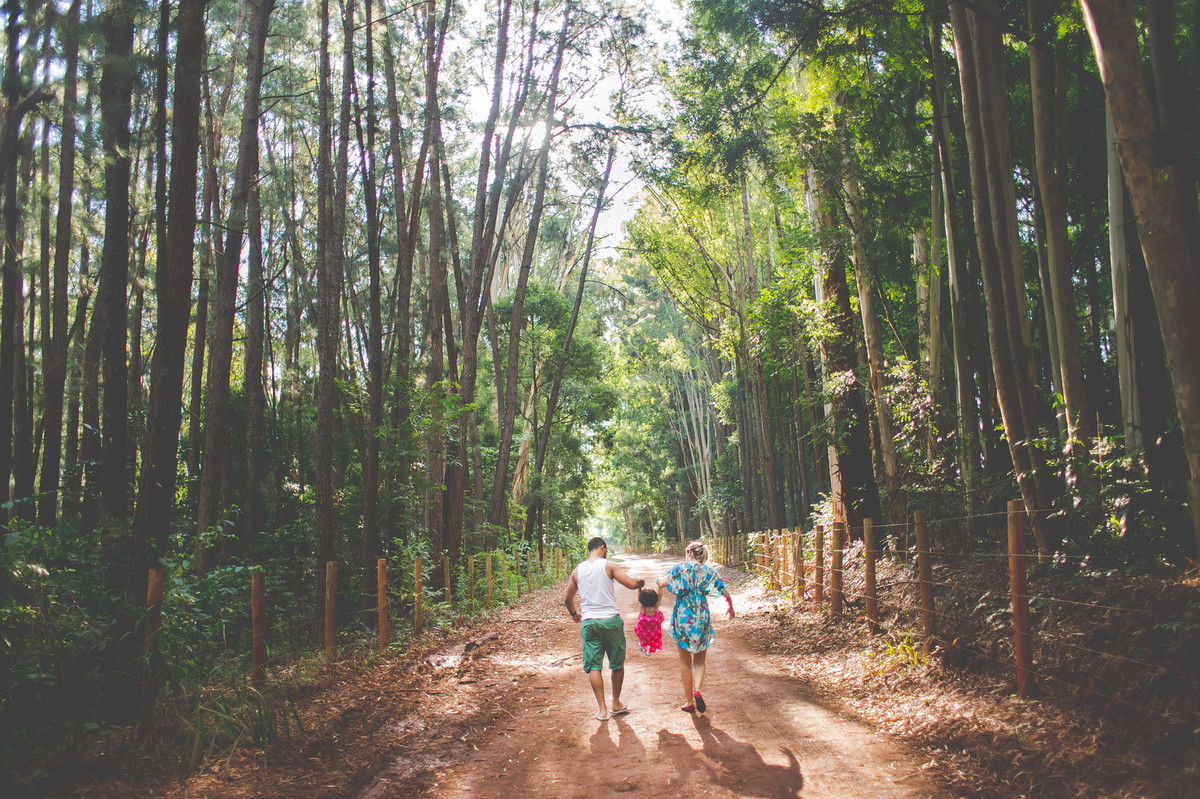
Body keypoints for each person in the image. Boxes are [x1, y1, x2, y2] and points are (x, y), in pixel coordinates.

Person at [563, 537, 645, 721]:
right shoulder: (609, 566)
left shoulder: (578, 570)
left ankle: (602, 710)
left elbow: (567, 599)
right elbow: (631, 584)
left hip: (589, 622)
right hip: (610, 621)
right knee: (617, 663)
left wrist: (574, 614)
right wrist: (640, 582)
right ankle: (616, 703)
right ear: (602, 547)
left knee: (594, 666)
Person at [659, 539, 734, 714]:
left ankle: (688, 702)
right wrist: (731, 607)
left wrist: (658, 579)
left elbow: (663, 583)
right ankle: (698, 690)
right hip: (702, 615)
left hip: (683, 616)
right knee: (700, 659)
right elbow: (723, 591)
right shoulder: (708, 571)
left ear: (690, 552)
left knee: (685, 662)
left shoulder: (681, 567)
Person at [634, 587, 665, 654]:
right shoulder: (655, 608)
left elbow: (639, 599)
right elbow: (660, 597)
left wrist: (639, 587)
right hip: (654, 633)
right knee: (652, 641)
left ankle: (644, 647)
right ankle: (648, 648)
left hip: (643, 632)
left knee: (643, 639)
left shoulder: (642, 609)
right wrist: (660, 586)